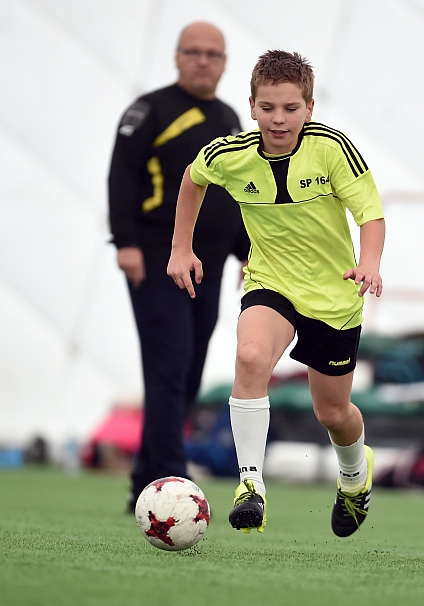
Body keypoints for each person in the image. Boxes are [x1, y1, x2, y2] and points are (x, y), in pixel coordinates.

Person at [167, 50, 386, 538]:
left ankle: (354, 476)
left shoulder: (332, 148)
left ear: (309, 107)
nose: (279, 119)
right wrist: (181, 247)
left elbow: (371, 215)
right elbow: (191, 179)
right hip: (270, 282)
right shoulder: (230, 154)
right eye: (268, 108)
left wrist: (368, 264)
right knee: (249, 357)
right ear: (251, 105)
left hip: (334, 295)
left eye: (290, 108)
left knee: (332, 412)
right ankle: (251, 486)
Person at [108, 22, 249, 512]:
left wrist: (248, 253)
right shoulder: (150, 111)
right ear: (177, 57)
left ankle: (144, 482)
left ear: (225, 62)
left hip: (206, 264)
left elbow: (237, 192)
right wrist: (125, 242)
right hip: (156, 256)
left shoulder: (231, 117)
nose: (204, 60)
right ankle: (173, 481)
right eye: (195, 52)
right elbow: (122, 175)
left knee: (187, 372)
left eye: (214, 53)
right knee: (168, 367)